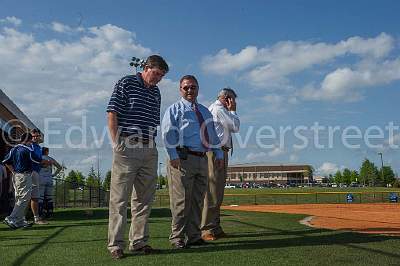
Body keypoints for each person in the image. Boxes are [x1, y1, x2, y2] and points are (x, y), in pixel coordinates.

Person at [106, 54, 169, 259]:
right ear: (146, 67)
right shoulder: (127, 82)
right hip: (127, 145)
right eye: (156, 73)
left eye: (161, 76)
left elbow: (153, 121)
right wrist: (116, 143)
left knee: (144, 199)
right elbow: (112, 112)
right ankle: (116, 244)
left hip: (149, 148)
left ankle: (139, 242)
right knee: (120, 198)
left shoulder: (157, 92)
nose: (158, 78)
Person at [162, 75, 224, 249]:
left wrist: (218, 153)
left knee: (198, 200)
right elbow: (168, 134)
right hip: (182, 159)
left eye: (193, 87)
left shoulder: (204, 111)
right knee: (181, 201)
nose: (190, 90)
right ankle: (177, 237)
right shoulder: (174, 109)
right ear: (180, 89)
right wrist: (173, 155)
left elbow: (212, 135)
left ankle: (194, 236)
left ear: (198, 89)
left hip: (202, 159)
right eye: (186, 87)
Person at [201, 88, 240, 241]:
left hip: (219, 152)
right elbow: (235, 126)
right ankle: (206, 229)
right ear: (226, 98)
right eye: (232, 100)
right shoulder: (219, 109)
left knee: (217, 192)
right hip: (216, 152)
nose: (234, 103)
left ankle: (215, 227)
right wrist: (233, 111)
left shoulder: (217, 109)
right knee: (212, 192)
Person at [2, 133, 43, 229]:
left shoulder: (14, 149)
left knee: (19, 198)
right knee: (24, 198)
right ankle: (11, 218)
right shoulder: (27, 149)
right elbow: (38, 160)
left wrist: (13, 171)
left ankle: (20, 221)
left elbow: (5, 161)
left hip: (16, 176)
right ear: (29, 140)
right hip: (24, 175)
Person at [30, 129, 48, 225]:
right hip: (29, 172)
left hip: (36, 172)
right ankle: (21, 218)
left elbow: (38, 161)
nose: (36, 138)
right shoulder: (29, 146)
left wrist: (43, 164)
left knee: (35, 196)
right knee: (26, 197)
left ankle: (36, 218)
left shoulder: (39, 148)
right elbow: (32, 159)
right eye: (34, 136)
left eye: (37, 136)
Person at [38, 147, 62, 218]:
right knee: (49, 197)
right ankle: (50, 213)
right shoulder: (50, 159)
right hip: (49, 179)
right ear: (47, 152)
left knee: (40, 198)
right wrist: (54, 174)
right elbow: (59, 167)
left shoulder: (39, 159)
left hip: (40, 178)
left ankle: (40, 213)